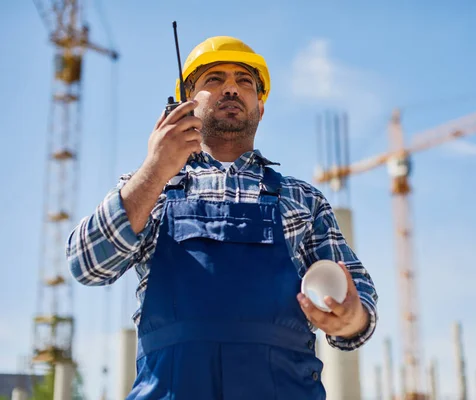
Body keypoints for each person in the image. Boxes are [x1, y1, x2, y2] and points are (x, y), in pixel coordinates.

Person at [66, 36, 378, 399]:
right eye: (214, 79)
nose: (231, 88)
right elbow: (87, 265)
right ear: (183, 105)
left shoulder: (303, 200)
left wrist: (351, 318)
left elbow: (359, 300)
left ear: (261, 108)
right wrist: (155, 170)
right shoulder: (150, 190)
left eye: (245, 82)